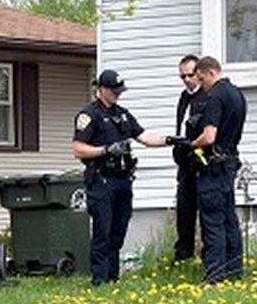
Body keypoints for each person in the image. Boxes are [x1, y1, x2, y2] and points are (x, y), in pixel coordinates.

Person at [72, 69, 180, 285]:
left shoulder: (122, 114)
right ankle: (100, 280)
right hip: (102, 179)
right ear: (101, 89)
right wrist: (106, 150)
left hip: (123, 179)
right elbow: (78, 149)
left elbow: (143, 136)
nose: (118, 95)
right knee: (103, 230)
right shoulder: (89, 115)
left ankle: (113, 278)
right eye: (114, 91)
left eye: (120, 91)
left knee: (118, 229)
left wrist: (170, 139)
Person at [190, 56, 247, 283]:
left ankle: (214, 276)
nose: (201, 84)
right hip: (231, 161)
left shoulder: (215, 96)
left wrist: (192, 143)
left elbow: (209, 136)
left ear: (210, 73)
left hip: (213, 167)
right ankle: (234, 272)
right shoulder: (237, 94)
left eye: (201, 79)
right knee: (229, 220)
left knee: (212, 221)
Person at [172, 54, 207, 262]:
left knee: (205, 211)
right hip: (184, 162)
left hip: (201, 162)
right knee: (184, 211)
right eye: (182, 76)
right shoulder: (184, 97)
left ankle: (207, 256)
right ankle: (183, 254)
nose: (186, 80)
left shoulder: (208, 96)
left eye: (190, 75)